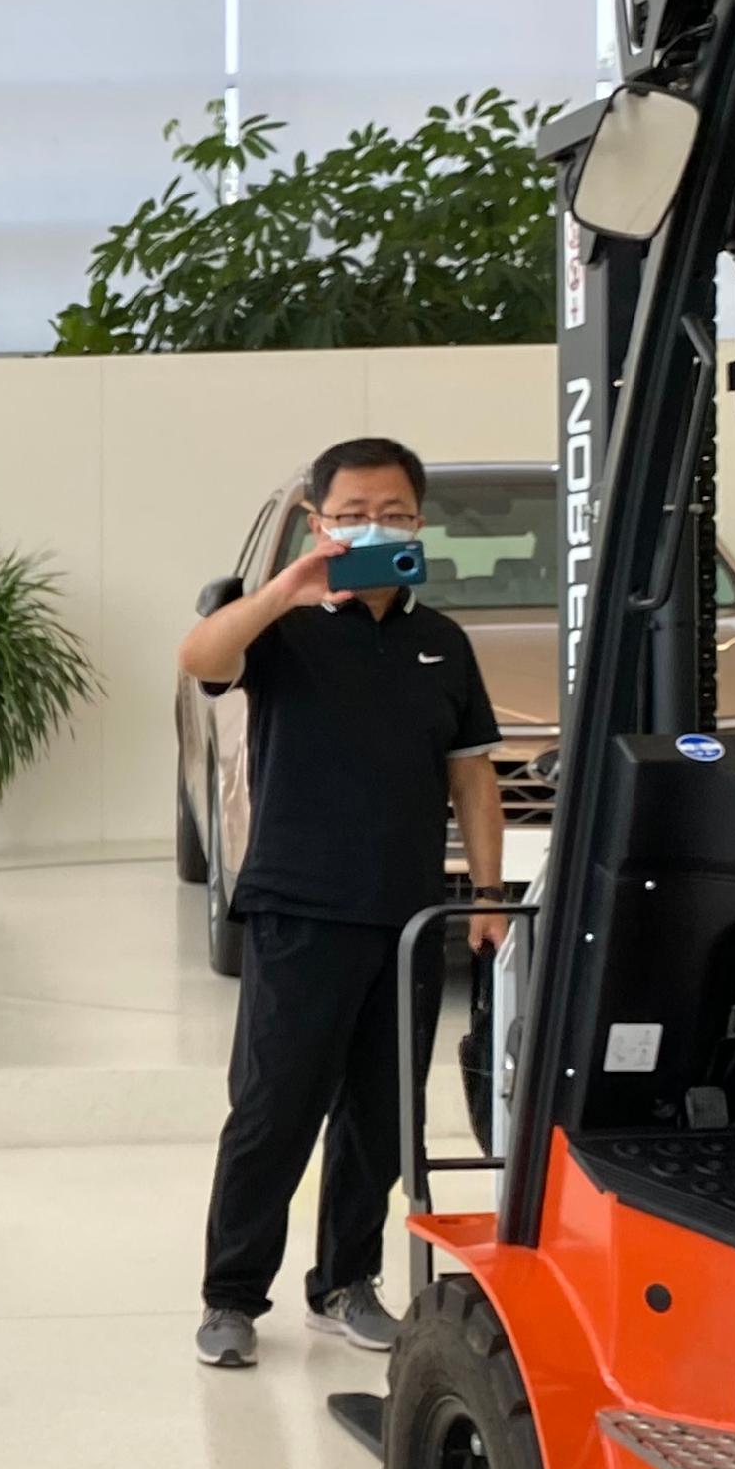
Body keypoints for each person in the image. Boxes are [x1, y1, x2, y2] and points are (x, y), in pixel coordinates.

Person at [180, 436, 508, 1369]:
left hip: (406, 918)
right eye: (355, 511)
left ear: (419, 521)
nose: (377, 525)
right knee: (274, 1106)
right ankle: (232, 1295)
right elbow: (200, 656)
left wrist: (484, 894)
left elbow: (473, 777)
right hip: (299, 908)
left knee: (379, 1112)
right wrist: (285, 589)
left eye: (397, 511)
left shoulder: (442, 643)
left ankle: (346, 1284)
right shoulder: (282, 629)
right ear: (321, 522)